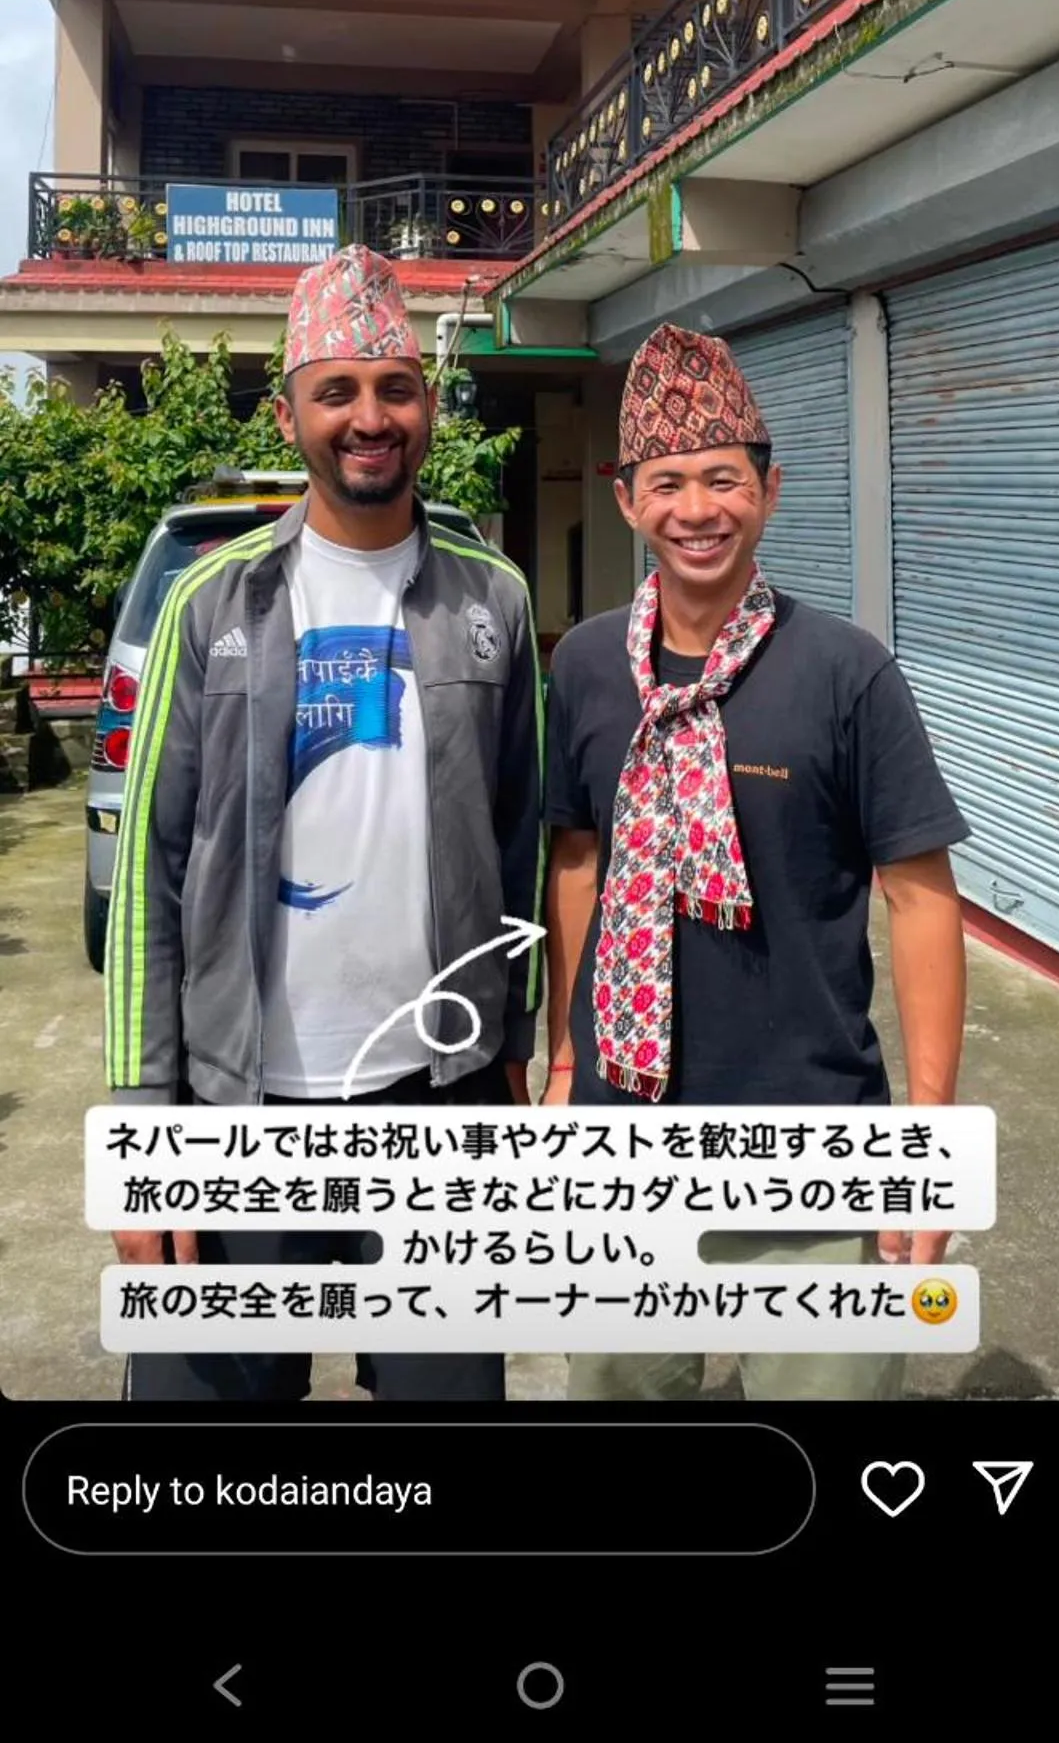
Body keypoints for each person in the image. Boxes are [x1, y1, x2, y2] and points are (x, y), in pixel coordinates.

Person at [105, 244, 543, 1403]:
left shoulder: (494, 598)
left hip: (437, 1100)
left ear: (428, 406)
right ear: (289, 414)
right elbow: (149, 870)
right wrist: (142, 1124)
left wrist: (512, 1044)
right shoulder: (211, 602)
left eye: (395, 388)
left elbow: (521, 843)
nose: (369, 417)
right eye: (336, 391)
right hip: (235, 1105)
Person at [542, 320, 969, 1403]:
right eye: (668, 482)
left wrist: (928, 1142)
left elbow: (921, 899)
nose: (698, 509)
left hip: (809, 1135)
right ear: (628, 499)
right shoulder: (586, 666)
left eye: (724, 479)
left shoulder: (845, 671)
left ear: (768, 492)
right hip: (625, 1139)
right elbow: (579, 864)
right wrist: (563, 1067)